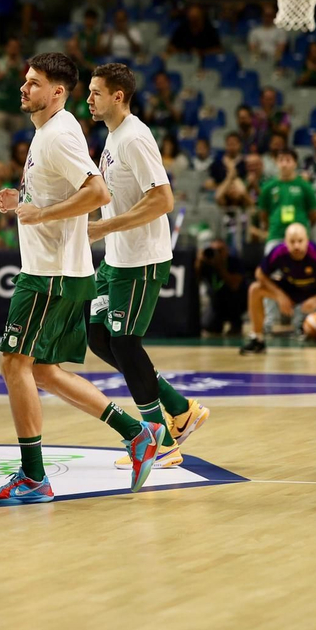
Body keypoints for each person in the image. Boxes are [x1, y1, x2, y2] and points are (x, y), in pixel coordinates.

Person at [0, 53, 164, 505]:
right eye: (24, 81)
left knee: (13, 365)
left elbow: (96, 192)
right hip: (61, 271)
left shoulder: (58, 134)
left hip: (49, 274)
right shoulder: (49, 133)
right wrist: (21, 198)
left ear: (58, 92)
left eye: (33, 83)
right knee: (41, 369)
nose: (23, 89)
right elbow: (62, 191)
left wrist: (40, 212)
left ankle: (33, 475)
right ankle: (135, 433)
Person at [84, 64, 211, 472]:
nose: (88, 99)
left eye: (96, 92)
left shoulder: (135, 137)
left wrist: (106, 225)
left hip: (141, 261)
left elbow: (163, 200)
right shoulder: (113, 135)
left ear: (118, 96)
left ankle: (160, 438)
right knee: (98, 337)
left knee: (124, 344)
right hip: (117, 257)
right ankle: (179, 408)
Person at [244, 223, 316, 356]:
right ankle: (257, 339)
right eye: (292, 242)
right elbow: (259, 274)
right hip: (290, 289)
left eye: (300, 241)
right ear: (285, 242)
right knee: (255, 288)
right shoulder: (278, 252)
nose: (296, 246)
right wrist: (279, 295)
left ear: (307, 240)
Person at [256, 151, 316, 251]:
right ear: (276, 163)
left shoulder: (305, 186)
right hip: (276, 235)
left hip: (299, 238)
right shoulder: (267, 187)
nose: (284, 164)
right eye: (281, 160)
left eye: (288, 160)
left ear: (295, 163)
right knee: (270, 265)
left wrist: (302, 226)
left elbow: (314, 215)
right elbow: (263, 214)